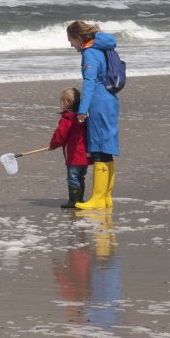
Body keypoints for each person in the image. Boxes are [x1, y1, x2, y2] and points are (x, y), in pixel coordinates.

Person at [66, 21, 120, 209]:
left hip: (98, 103)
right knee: (107, 149)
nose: (71, 44)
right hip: (110, 100)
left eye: (71, 40)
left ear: (79, 37)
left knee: (98, 149)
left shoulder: (89, 53)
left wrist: (82, 111)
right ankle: (106, 198)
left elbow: (89, 83)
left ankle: (97, 199)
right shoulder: (102, 48)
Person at [49, 87, 91, 208]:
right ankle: (80, 200)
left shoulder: (67, 118)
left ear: (67, 102)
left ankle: (74, 201)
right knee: (80, 177)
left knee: (72, 178)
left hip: (74, 154)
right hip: (85, 155)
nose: (61, 104)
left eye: (61, 102)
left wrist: (53, 145)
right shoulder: (83, 117)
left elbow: (60, 135)